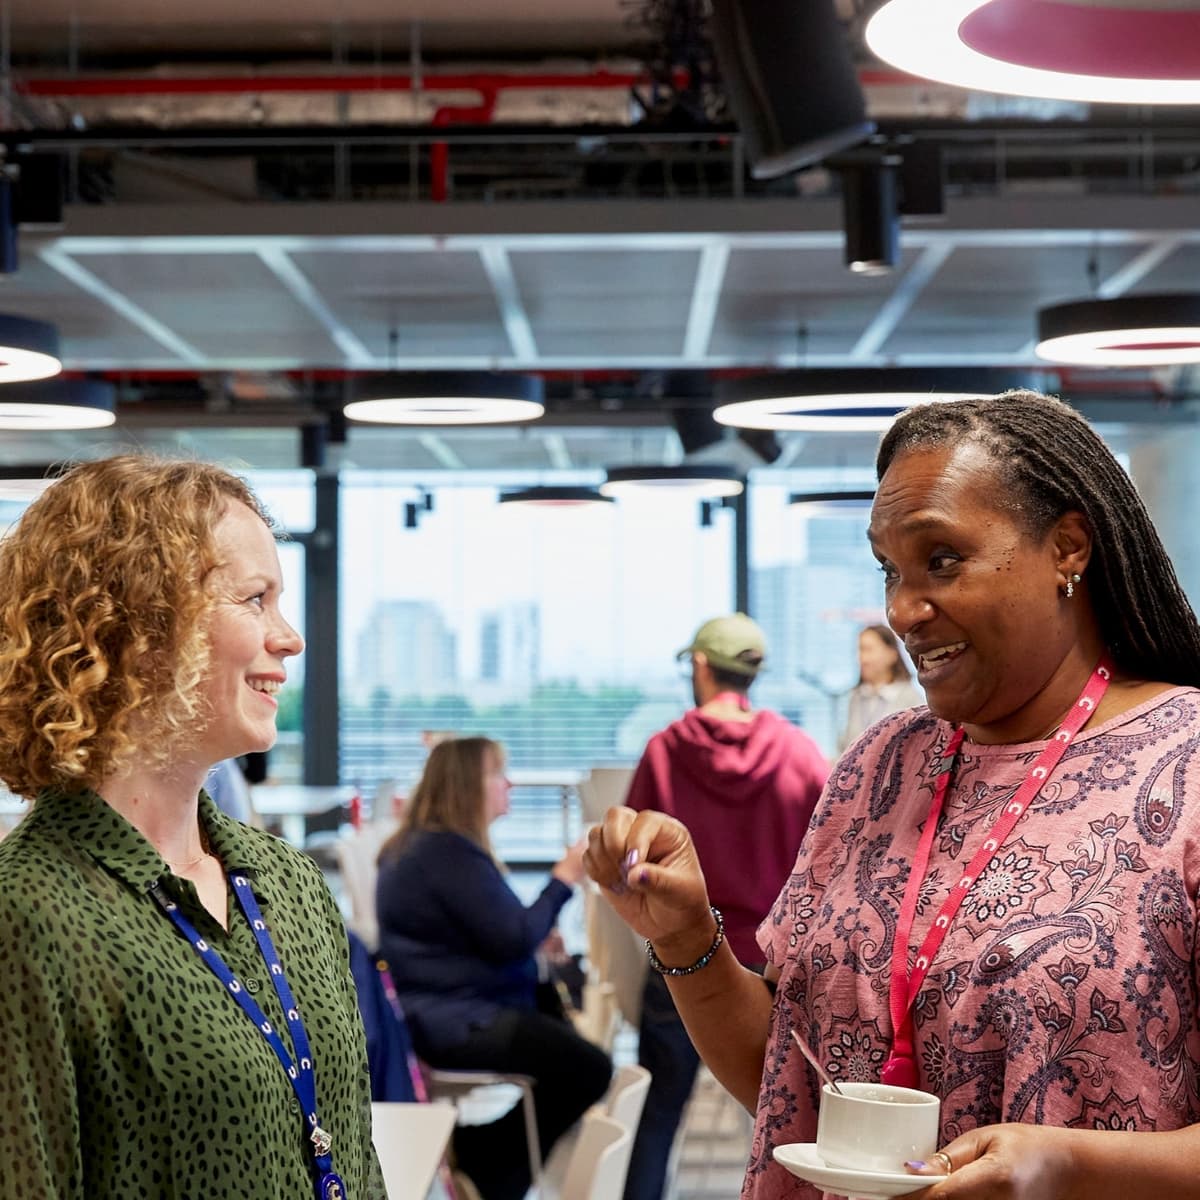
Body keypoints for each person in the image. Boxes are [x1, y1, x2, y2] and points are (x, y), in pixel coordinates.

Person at [583, 390, 1200, 1200]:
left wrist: (1072, 1166)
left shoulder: (1186, 764)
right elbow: (788, 1088)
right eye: (889, 570)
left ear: (1068, 548)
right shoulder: (881, 768)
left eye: (941, 559)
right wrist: (686, 935)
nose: (903, 610)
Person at [0, 456, 384, 1200]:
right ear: (136, 626)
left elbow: (354, 1158)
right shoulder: (29, 913)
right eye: (255, 600)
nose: (290, 638)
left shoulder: (291, 886)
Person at [623, 612, 829, 1200]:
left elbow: (632, 862)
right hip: (773, 965)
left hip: (682, 955)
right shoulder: (798, 752)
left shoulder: (666, 751)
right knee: (784, 1121)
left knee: (658, 1111)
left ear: (700, 665)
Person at [376, 735, 612, 1200]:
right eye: (497, 774)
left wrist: (533, 934)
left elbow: (496, 930)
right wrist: (564, 878)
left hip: (448, 1009)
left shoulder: (432, 849)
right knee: (589, 1068)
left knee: (574, 1057)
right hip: (456, 1020)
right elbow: (512, 938)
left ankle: (486, 1160)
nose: (510, 784)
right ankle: (488, 1164)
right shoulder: (445, 853)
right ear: (468, 785)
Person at [838, 623, 924, 751]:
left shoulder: (911, 700)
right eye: (860, 650)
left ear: (891, 654)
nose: (862, 658)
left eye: (868, 650)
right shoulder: (856, 697)